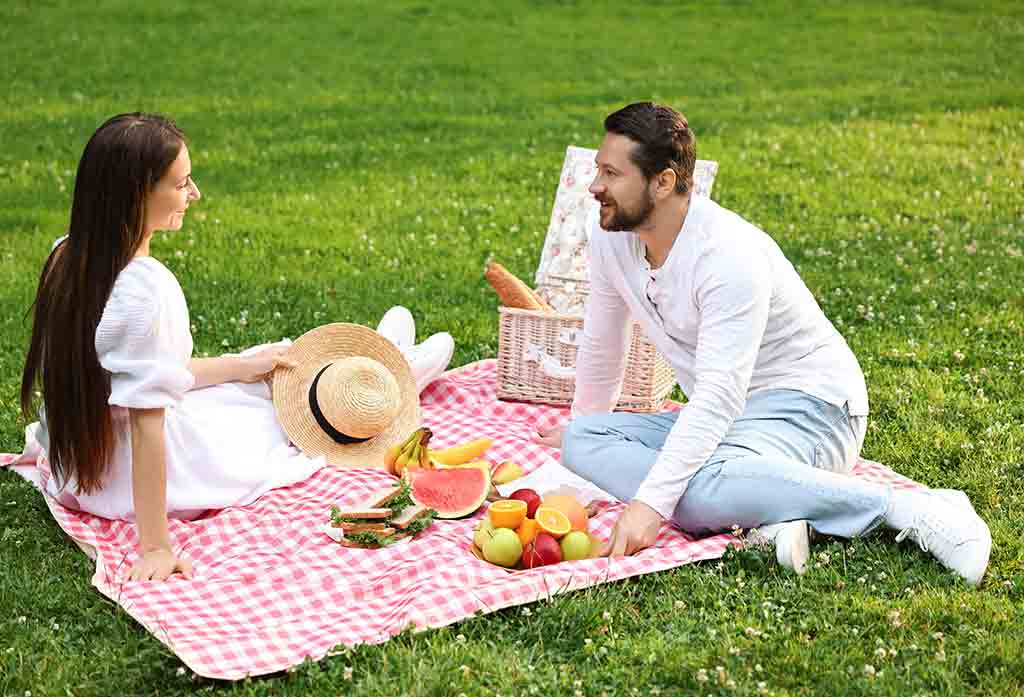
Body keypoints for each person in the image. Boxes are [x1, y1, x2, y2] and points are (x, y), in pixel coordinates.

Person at [535, 102, 991, 585]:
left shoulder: (728, 255)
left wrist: (649, 506)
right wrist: (584, 440)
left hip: (816, 411)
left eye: (611, 173)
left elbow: (717, 396)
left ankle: (905, 506)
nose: (594, 187)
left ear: (663, 183)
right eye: (597, 169)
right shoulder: (609, 234)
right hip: (735, 424)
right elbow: (604, 344)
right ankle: (771, 512)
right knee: (582, 439)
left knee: (684, 498)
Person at [20, 113, 453, 582]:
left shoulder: (66, 255)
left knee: (258, 374)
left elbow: (143, 372)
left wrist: (239, 366)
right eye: (182, 183)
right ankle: (392, 377)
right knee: (284, 417)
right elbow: (148, 423)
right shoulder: (146, 287)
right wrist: (156, 547)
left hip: (84, 469)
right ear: (138, 193)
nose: (195, 194)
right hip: (134, 475)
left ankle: (375, 360)